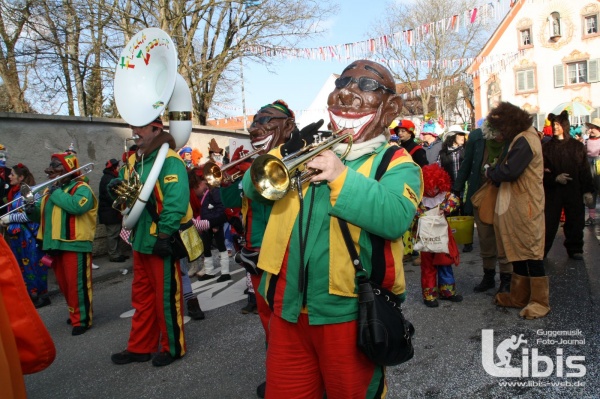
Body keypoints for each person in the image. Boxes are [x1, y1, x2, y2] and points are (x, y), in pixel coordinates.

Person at [242, 60, 423, 398]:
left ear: (390, 107)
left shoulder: (396, 161)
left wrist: (342, 176)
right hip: (287, 310)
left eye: (366, 86)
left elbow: (396, 216)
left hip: (349, 312)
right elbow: (253, 189)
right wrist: (282, 152)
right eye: (343, 82)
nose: (347, 93)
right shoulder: (305, 149)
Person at [109, 116, 188, 367]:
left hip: (159, 240)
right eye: (133, 126)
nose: (134, 131)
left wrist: (164, 235)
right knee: (141, 298)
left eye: (140, 126)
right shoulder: (134, 159)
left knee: (166, 298)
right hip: (140, 240)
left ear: (157, 129)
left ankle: (173, 348)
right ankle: (140, 347)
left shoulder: (170, 160)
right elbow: (128, 200)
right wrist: (117, 187)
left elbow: (175, 203)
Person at [485, 102, 548, 320]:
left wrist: (491, 172)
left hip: (526, 205)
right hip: (519, 205)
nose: (500, 132)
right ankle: (519, 296)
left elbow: (510, 171)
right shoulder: (522, 137)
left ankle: (540, 301)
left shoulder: (525, 139)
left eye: (501, 127)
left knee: (531, 252)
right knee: (519, 252)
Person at [30, 152, 98, 334]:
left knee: (78, 285)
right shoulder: (50, 191)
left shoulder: (81, 188)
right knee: (64, 285)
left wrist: (55, 192)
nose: (49, 170)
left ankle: (82, 320)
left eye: (55, 167)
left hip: (75, 244)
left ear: (67, 170)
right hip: (54, 245)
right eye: (50, 166)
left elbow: (77, 206)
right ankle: (75, 313)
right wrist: (31, 209)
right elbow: (41, 214)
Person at [452, 123, 513, 293]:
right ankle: (488, 276)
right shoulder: (477, 137)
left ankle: (507, 279)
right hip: (480, 193)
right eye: (496, 133)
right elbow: (467, 163)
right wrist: (456, 189)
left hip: (504, 194)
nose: (500, 137)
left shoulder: (514, 138)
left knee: (503, 237)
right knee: (485, 238)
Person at [542, 111, 595, 260]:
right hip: (554, 191)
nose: (555, 127)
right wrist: (554, 178)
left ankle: (575, 248)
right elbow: (541, 171)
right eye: (553, 124)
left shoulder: (577, 146)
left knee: (575, 221)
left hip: (574, 190)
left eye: (558, 124)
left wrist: (587, 190)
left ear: (564, 125)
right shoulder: (547, 148)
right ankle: (543, 250)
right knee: (549, 222)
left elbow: (584, 170)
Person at [0, 164, 50, 308]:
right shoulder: (15, 192)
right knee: (23, 266)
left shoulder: (30, 192)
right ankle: (31, 294)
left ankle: (41, 295)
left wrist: (10, 218)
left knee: (34, 266)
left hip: (29, 237)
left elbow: (30, 215)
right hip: (19, 237)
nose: (9, 176)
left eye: (12, 175)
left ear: (21, 177)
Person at [416, 164, 462, 307]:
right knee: (428, 266)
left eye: (436, 187)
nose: (433, 191)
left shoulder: (444, 196)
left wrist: (446, 208)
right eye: (429, 188)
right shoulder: (419, 198)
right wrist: (419, 213)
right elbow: (412, 209)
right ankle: (429, 295)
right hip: (426, 237)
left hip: (442, 236)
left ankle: (447, 291)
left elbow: (455, 200)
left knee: (445, 263)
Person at [194, 168, 229, 282]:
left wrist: (216, 224)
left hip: (214, 224)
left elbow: (220, 208)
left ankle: (225, 272)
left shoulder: (215, 191)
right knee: (206, 247)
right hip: (207, 224)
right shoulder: (209, 191)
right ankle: (209, 271)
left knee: (221, 246)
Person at [98, 158, 129, 262]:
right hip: (109, 212)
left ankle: (117, 253)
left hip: (112, 212)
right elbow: (110, 196)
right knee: (113, 234)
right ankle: (113, 255)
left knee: (116, 233)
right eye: (118, 166)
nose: (120, 168)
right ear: (114, 168)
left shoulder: (109, 177)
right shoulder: (108, 179)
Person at [584, 118, 600, 225]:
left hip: (599, 168)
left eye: (593, 128)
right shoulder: (587, 141)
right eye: (590, 128)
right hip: (589, 168)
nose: (591, 130)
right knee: (591, 193)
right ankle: (591, 217)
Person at [0, 144, 11, 216]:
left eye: (5, 157)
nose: (4, 160)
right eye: (1, 157)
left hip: (6, 213)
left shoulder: (10, 173)